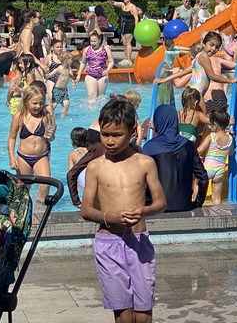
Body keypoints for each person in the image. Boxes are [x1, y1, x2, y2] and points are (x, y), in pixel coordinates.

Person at [80, 99, 166, 323]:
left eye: (117, 135)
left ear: (132, 132)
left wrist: (144, 211)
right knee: (123, 315)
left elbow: (160, 203)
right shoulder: (96, 167)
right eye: (105, 134)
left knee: (144, 315)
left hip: (139, 242)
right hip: (109, 244)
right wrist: (110, 217)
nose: (109, 141)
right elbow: (87, 210)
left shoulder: (145, 163)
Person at [141, 104, 207, 212]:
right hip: (184, 205)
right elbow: (203, 177)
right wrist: (197, 203)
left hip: (156, 207)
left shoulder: (149, 147)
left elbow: (141, 181)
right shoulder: (189, 145)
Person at [7, 85, 56, 203]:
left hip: (41, 156)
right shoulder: (19, 117)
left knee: (45, 185)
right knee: (24, 188)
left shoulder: (45, 116)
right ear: (26, 102)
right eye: (34, 103)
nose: (38, 106)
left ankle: (39, 209)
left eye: (40, 103)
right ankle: (25, 208)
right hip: (24, 157)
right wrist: (12, 157)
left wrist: (51, 135)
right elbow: (12, 138)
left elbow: (50, 139)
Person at [198, 107, 233, 205]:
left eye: (211, 124)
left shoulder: (211, 136)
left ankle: (195, 208)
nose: (210, 127)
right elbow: (231, 153)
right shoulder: (230, 138)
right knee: (216, 198)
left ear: (215, 125)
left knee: (197, 184)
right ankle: (216, 216)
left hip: (207, 169)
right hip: (219, 171)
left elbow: (200, 150)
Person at [108, 0, 142, 67]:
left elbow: (136, 18)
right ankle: (125, 58)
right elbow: (114, 3)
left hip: (130, 25)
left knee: (128, 42)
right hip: (124, 25)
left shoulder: (133, 7)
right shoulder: (122, 5)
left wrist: (136, 28)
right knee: (124, 43)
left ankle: (129, 60)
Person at [80, 32, 113, 103]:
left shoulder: (106, 49)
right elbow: (83, 62)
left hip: (103, 76)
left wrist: (107, 70)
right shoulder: (87, 49)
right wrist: (79, 75)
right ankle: (91, 112)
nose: (93, 43)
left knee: (100, 97)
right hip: (90, 75)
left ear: (99, 40)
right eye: (91, 41)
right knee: (92, 96)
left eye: (95, 41)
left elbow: (111, 62)